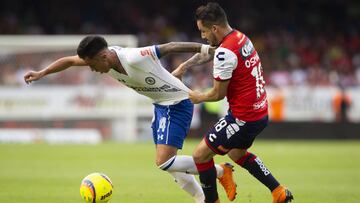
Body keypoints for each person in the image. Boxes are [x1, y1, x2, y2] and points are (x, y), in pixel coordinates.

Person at [23, 35, 236, 203]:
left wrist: (208, 49)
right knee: (169, 164)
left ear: (103, 57)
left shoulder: (134, 56)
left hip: (177, 103)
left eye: (92, 65)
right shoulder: (102, 59)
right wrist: (42, 72)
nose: (92, 70)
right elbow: (69, 61)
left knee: (164, 162)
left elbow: (170, 46)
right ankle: (202, 199)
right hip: (160, 105)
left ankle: (220, 171)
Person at [173, 3, 294, 203]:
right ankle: (278, 191)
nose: (202, 37)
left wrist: (196, 96)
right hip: (259, 113)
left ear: (214, 28)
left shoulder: (225, 52)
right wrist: (184, 66)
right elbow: (210, 51)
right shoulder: (240, 38)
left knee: (200, 155)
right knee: (237, 153)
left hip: (242, 118)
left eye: (203, 31)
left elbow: (217, 94)